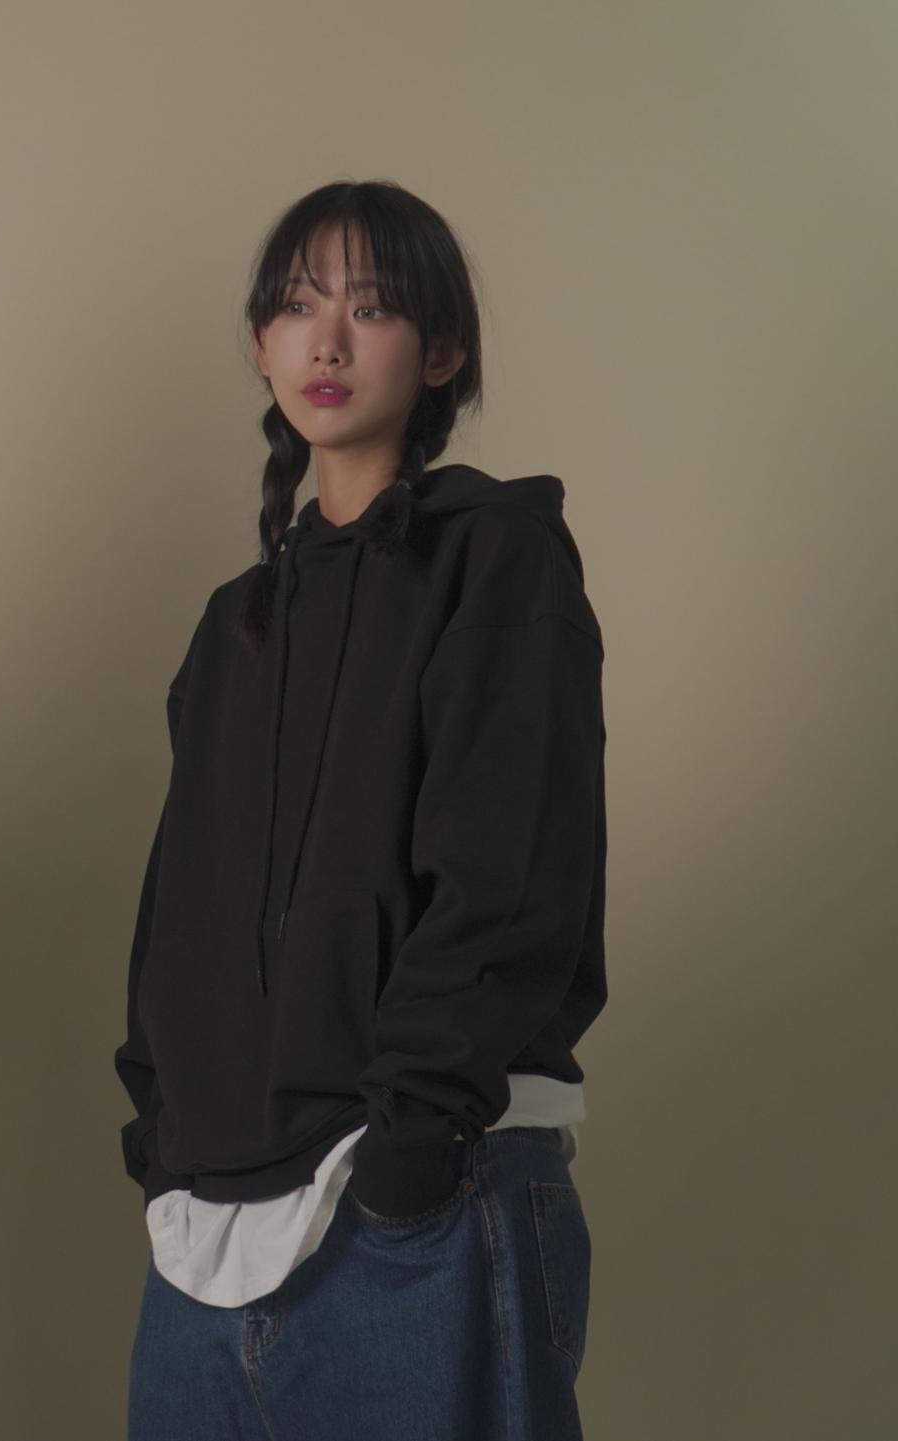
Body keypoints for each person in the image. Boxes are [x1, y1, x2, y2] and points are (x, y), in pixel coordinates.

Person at [116, 181, 605, 1440]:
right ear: (261, 342)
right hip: (209, 1230)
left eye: (373, 308)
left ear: (440, 353)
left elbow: (509, 866)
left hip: (416, 1199)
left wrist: (413, 1143)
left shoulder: (494, 557)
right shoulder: (234, 626)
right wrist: (163, 1136)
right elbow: (181, 904)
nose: (327, 341)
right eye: (298, 306)